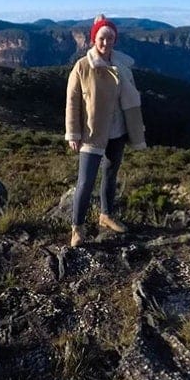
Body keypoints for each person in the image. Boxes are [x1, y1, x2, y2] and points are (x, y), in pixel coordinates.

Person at [64, 14, 147, 247]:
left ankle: (106, 215)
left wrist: (135, 126)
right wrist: (73, 133)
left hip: (118, 130)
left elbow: (129, 97)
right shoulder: (82, 66)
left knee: (111, 175)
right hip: (92, 132)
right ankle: (77, 228)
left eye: (110, 38)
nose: (105, 43)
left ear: (114, 40)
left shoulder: (121, 67)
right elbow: (72, 101)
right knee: (85, 181)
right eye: (101, 38)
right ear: (93, 39)